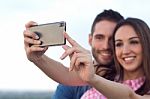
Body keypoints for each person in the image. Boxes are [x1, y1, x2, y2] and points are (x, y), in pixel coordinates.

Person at [24, 9, 124, 99]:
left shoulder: (134, 76)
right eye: (99, 37)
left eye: (113, 39)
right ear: (90, 39)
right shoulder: (72, 83)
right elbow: (66, 74)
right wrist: (37, 59)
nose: (106, 46)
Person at [61, 18, 150, 98]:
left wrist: (93, 79)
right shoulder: (106, 73)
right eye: (119, 44)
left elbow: (130, 97)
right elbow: (65, 74)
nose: (125, 51)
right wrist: (45, 60)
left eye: (134, 42)